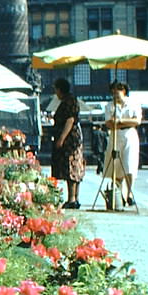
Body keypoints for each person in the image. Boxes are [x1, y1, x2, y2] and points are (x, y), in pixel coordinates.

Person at [103, 81, 141, 206]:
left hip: (129, 135)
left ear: (124, 91)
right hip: (115, 135)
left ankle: (130, 193)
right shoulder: (110, 106)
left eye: (117, 91)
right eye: (113, 92)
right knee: (116, 165)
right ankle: (119, 194)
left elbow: (136, 121)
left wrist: (120, 121)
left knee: (129, 164)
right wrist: (117, 123)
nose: (115, 94)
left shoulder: (133, 103)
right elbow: (109, 123)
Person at [50, 77, 85, 209]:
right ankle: (74, 198)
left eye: (56, 89)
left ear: (60, 89)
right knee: (72, 166)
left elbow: (69, 120)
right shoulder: (68, 100)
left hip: (70, 139)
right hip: (71, 137)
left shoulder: (69, 101)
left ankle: (72, 199)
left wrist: (61, 138)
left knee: (72, 166)